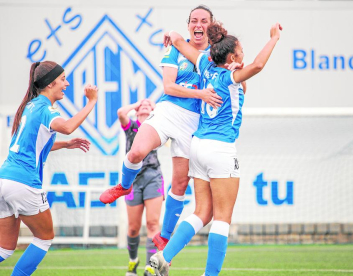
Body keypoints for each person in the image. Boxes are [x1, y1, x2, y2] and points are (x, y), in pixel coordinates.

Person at [146, 21, 282, 276]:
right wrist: (273, 39)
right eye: (241, 52)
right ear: (231, 56)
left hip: (197, 146)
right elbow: (258, 66)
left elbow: (177, 39)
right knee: (222, 219)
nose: (244, 56)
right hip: (220, 149)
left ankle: (163, 257)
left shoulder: (205, 65)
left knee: (202, 213)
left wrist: (170, 34)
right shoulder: (230, 75)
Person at [99, 5, 222, 252]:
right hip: (168, 112)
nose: (199, 25)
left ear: (211, 25)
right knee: (135, 152)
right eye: (194, 21)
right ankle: (124, 185)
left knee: (179, 184)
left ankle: (164, 236)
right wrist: (200, 93)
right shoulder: (175, 48)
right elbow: (169, 87)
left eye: (204, 21)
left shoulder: (216, 54)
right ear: (188, 26)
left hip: (194, 124)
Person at [0, 61, 98, 275]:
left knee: (5, 249)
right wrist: (91, 102)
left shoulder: (29, 105)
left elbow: (32, 144)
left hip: (4, 179)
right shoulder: (46, 108)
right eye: (63, 79)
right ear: (50, 83)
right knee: (44, 238)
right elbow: (68, 127)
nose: (67, 83)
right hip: (23, 183)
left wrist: (65, 144)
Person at [118, 99, 164, 276]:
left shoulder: (157, 126)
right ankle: (133, 261)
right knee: (133, 228)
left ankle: (150, 267)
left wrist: (153, 109)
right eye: (141, 105)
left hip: (153, 177)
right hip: (133, 181)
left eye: (149, 104)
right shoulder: (130, 127)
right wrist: (136, 104)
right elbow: (121, 113)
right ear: (136, 111)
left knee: (153, 224)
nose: (145, 105)